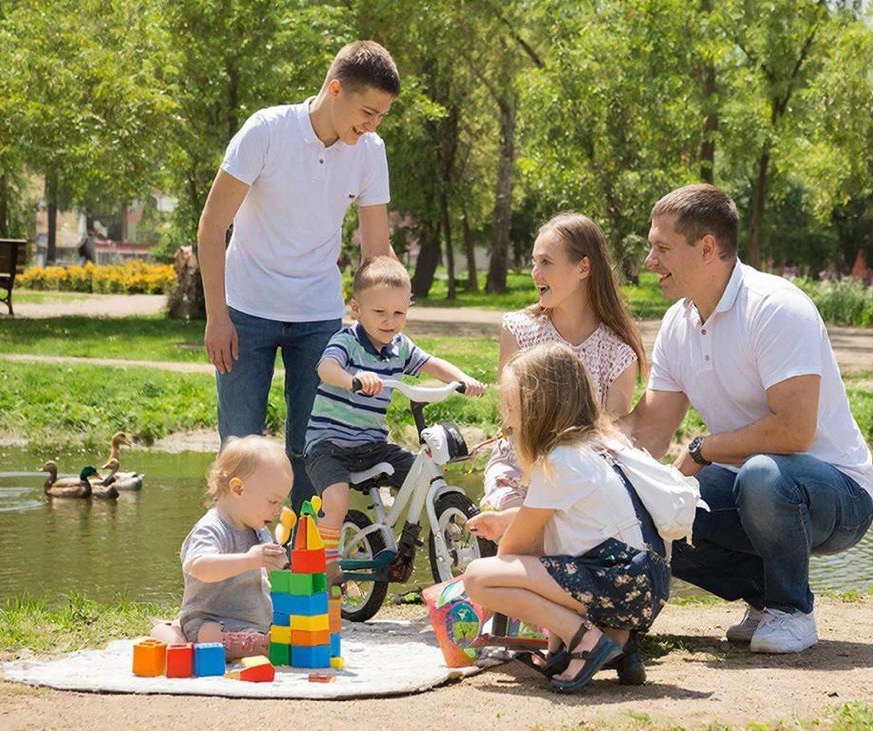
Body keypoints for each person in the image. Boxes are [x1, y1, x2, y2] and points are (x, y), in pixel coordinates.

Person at [623, 184, 873, 654]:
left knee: (762, 474)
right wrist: (573, 451)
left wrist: (703, 449)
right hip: (750, 487)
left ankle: (792, 612)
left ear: (706, 249)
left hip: (838, 495)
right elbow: (647, 430)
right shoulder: (677, 324)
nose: (649, 261)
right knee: (653, 504)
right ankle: (763, 598)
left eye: (661, 248)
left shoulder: (775, 307)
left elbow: (793, 431)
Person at [196, 40, 400, 509]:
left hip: (318, 318)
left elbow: (375, 253)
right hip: (245, 313)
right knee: (240, 448)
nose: (373, 124)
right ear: (335, 90)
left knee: (314, 449)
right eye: (368, 112)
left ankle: (305, 550)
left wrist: (384, 324)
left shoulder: (370, 151)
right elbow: (212, 225)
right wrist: (216, 317)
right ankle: (237, 548)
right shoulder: (267, 131)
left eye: (381, 116)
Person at [463, 343, 668, 692]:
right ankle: (616, 644)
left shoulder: (561, 461)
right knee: (544, 561)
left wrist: (493, 600)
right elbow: (574, 518)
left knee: (479, 578)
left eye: (512, 406)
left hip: (620, 585)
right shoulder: (598, 446)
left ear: (538, 408)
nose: (507, 418)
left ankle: (585, 640)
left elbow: (516, 547)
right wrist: (506, 520)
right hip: (642, 581)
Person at [467, 212, 645, 540]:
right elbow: (512, 419)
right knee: (522, 530)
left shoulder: (617, 351)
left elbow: (612, 435)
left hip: (580, 476)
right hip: (521, 466)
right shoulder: (519, 331)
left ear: (583, 267)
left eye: (546, 262)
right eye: (534, 262)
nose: (535, 273)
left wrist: (562, 480)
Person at [306, 256, 484, 580]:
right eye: (380, 312)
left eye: (399, 313)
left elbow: (432, 363)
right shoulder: (347, 341)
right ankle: (327, 563)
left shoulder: (400, 347)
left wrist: (463, 379)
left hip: (372, 444)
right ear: (356, 309)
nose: (390, 322)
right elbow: (326, 368)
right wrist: (353, 379)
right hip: (328, 445)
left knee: (421, 475)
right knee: (336, 498)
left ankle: (410, 536)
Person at [150, 435, 291, 660]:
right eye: (273, 501)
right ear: (238, 489)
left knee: (285, 634)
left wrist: (283, 567)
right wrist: (250, 559)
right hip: (211, 619)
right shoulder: (212, 528)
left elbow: (270, 573)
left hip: (253, 621)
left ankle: (252, 640)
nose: (277, 511)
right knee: (209, 635)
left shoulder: (258, 529)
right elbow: (199, 566)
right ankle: (172, 634)